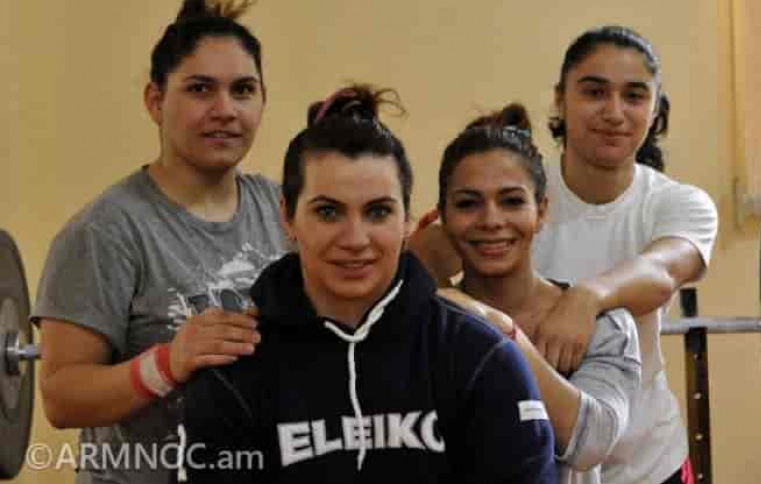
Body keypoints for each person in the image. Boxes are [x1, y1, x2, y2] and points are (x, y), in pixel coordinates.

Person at [177, 85, 558, 483]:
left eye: (378, 212)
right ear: (288, 218)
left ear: (406, 219)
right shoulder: (233, 372)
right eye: (328, 212)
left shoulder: (481, 356)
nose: (355, 239)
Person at [411, 26, 718, 484]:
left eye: (634, 96)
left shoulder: (679, 203)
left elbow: (661, 272)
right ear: (560, 99)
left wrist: (585, 298)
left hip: (645, 462)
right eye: (594, 91)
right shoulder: (515, 186)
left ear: (655, 109)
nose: (614, 112)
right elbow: (424, 255)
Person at [32, 0, 288, 484]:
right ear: (155, 101)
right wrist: (168, 363)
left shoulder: (285, 211)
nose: (225, 110)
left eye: (242, 90)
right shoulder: (104, 231)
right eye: (200, 89)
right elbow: (61, 398)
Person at [437, 102, 641, 484]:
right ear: (443, 216)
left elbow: (591, 443)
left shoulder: (603, 325)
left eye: (512, 201)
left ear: (542, 211)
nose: (491, 220)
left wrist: (501, 331)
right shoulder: (429, 323)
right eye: (468, 204)